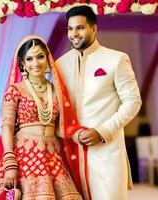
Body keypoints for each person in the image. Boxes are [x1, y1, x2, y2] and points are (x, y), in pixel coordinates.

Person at [0, 35, 93, 199]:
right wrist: (9, 163)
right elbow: (7, 126)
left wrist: (78, 133)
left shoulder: (57, 90)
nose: (35, 63)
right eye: (29, 59)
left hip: (52, 156)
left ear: (48, 59)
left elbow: (63, 126)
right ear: (22, 63)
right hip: (24, 155)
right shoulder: (15, 90)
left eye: (40, 57)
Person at [56, 5, 142, 200]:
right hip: (71, 151)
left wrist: (103, 131)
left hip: (106, 151)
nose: (74, 34)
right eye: (70, 29)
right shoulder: (60, 64)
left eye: (80, 28)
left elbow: (132, 102)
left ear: (94, 29)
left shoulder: (116, 59)